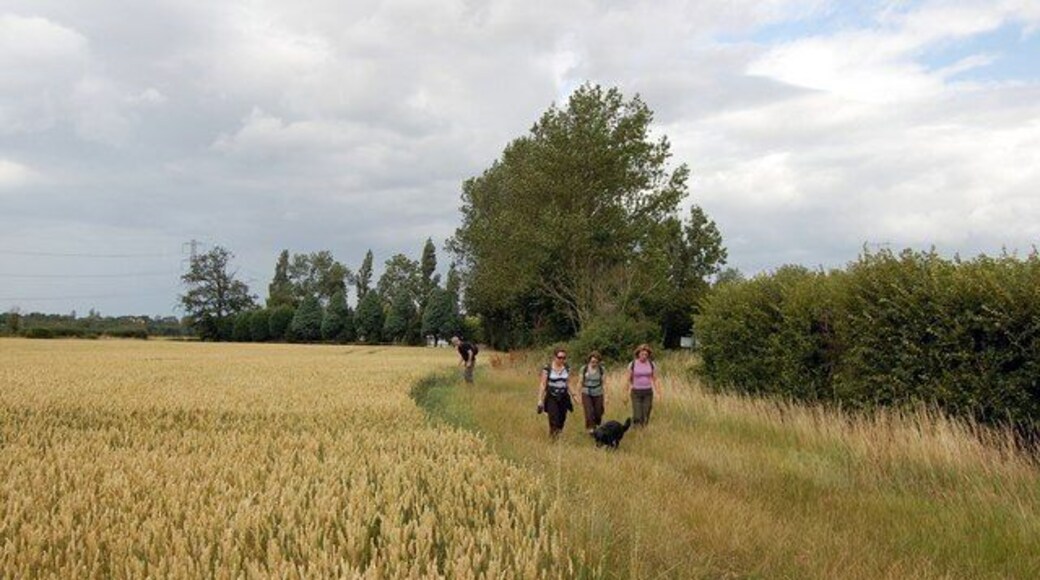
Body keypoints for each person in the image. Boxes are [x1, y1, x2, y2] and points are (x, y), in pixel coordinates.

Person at [537, 347, 574, 439]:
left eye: (564, 358)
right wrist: (540, 400)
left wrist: (575, 395)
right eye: (559, 357)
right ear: (554, 357)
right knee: (554, 418)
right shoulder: (547, 368)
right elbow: (543, 384)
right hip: (552, 397)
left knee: (562, 419)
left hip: (564, 396)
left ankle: (557, 433)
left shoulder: (567, 368)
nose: (562, 360)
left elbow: (568, 383)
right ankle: (553, 440)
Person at [627, 343, 660, 427]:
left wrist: (658, 393)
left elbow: (655, 379)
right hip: (636, 392)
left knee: (646, 414)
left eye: (646, 354)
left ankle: (643, 431)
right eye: (642, 354)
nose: (644, 356)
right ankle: (636, 427)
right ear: (638, 354)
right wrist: (626, 391)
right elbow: (628, 379)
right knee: (638, 414)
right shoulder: (633, 364)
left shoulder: (652, 364)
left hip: (648, 392)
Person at [579, 351, 606, 434]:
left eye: (596, 362)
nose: (594, 364)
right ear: (589, 361)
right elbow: (580, 382)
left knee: (598, 412)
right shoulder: (584, 369)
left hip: (598, 392)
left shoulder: (602, 369)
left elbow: (604, 383)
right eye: (593, 362)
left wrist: (607, 396)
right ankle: (591, 429)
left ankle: (597, 426)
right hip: (586, 392)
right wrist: (577, 395)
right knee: (589, 412)